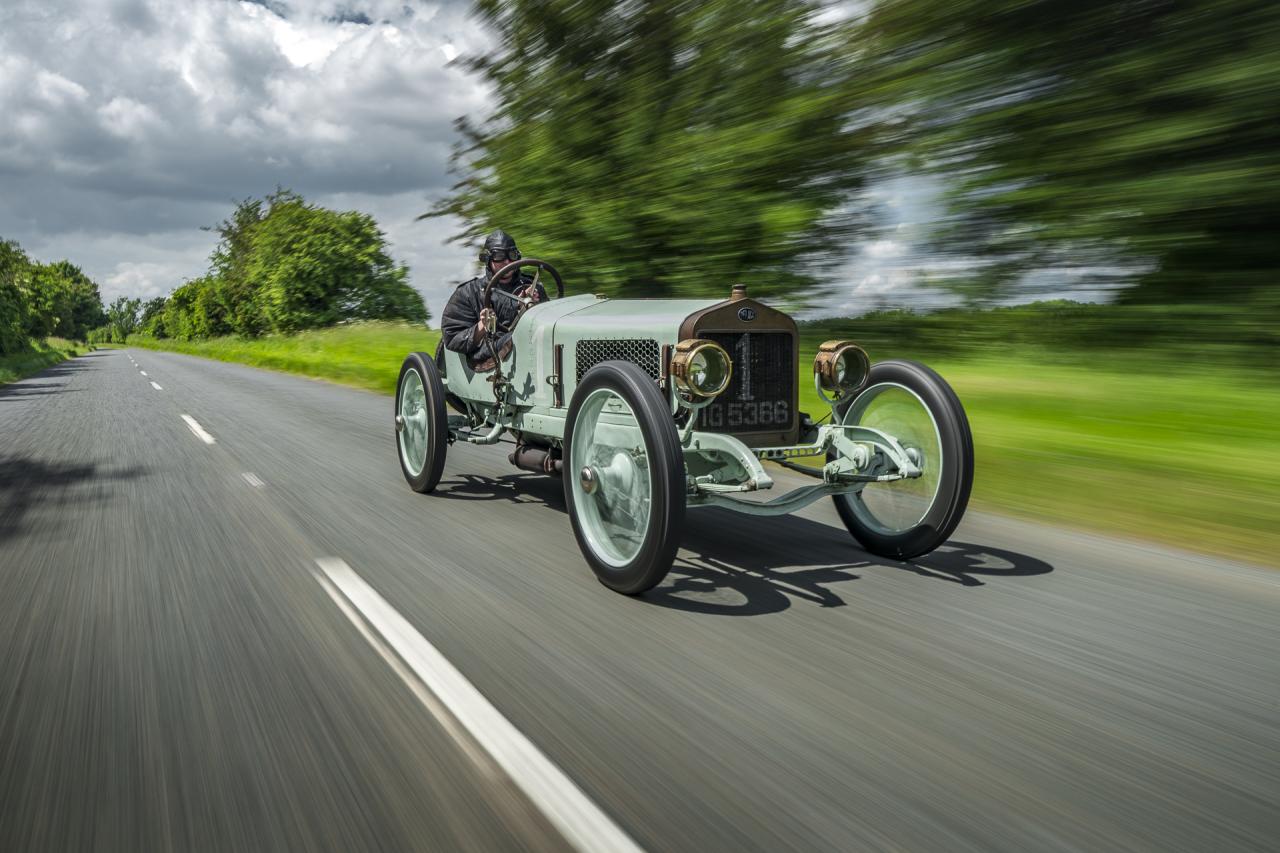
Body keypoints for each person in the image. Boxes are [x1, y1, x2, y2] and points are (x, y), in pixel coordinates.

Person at [440, 230, 547, 364]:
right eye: (499, 256)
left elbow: (547, 325)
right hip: (487, 355)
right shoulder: (468, 292)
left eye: (512, 255)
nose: (507, 261)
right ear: (488, 259)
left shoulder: (533, 286)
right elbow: (452, 337)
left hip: (534, 350)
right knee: (515, 337)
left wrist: (531, 308)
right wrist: (481, 326)